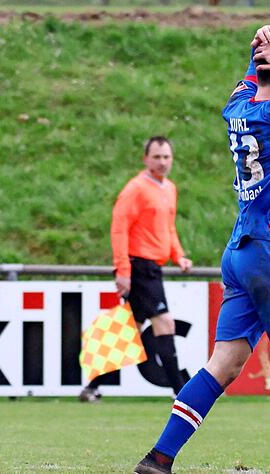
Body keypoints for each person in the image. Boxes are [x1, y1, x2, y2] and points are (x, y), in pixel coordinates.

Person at [135, 24, 270, 474]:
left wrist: (259, 48)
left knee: (225, 363)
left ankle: (159, 458)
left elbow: (251, 78)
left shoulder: (238, 106)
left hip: (241, 252)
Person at [79, 136, 193, 402]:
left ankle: (92, 387)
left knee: (128, 330)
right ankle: (182, 393)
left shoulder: (169, 188)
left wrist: (179, 256)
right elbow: (119, 229)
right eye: (156, 157)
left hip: (153, 266)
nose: (162, 162)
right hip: (140, 266)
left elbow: (168, 227)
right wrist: (122, 270)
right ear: (145, 159)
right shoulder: (136, 189)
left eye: (166, 157)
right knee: (165, 323)